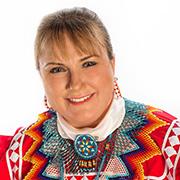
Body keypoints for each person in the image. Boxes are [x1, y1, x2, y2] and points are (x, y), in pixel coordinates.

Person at [0, 7, 179, 180]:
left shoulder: (168, 142)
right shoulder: (20, 153)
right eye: (57, 69)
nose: (76, 84)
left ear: (112, 64)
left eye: (88, 64)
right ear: (42, 76)